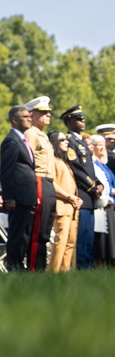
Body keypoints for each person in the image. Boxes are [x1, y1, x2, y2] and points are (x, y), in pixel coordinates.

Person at [60, 105, 101, 269]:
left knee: (88, 236)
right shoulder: (69, 141)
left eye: (82, 118)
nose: (83, 120)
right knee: (82, 236)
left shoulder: (81, 141)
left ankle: (88, 266)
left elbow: (90, 168)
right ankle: (82, 266)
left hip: (90, 195)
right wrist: (92, 187)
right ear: (69, 122)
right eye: (78, 118)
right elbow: (76, 167)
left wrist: (99, 184)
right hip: (82, 193)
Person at [0, 105, 37, 271]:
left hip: (27, 195)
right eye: (25, 116)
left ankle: (19, 265)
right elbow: (7, 171)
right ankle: (14, 266)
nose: (30, 118)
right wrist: (9, 197)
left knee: (25, 234)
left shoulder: (22, 140)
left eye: (30, 116)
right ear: (15, 120)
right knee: (17, 234)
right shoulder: (11, 141)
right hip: (18, 197)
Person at [22, 96, 56, 271]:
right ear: (32, 115)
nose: (48, 115)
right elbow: (28, 162)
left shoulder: (43, 135)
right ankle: (35, 268)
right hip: (39, 181)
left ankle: (41, 268)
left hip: (49, 182)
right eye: (43, 112)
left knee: (45, 231)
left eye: (49, 112)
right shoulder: (31, 134)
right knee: (37, 230)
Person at [48, 131, 80, 272]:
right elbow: (52, 183)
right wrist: (69, 196)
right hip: (62, 205)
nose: (66, 142)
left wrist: (75, 198)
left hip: (72, 206)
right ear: (54, 143)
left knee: (70, 241)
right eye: (62, 140)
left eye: (66, 139)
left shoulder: (63, 161)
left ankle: (64, 271)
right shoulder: (52, 161)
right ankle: (53, 272)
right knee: (61, 240)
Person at [89, 135, 115, 266]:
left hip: (110, 203)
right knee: (102, 240)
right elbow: (104, 186)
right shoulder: (94, 164)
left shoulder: (103, 164)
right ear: (92, 147)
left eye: (103, 144)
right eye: (99, 144)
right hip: (102, 204)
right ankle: (100, 264)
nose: (102, 147)